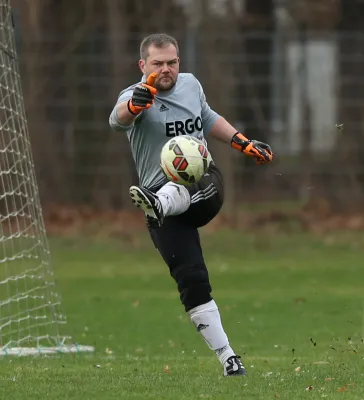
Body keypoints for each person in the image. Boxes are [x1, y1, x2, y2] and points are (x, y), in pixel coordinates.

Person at [109, 33, 273, 377]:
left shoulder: (190, 85)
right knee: (192, 279)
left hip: (204, 186)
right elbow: (118, 119)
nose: (166, 69)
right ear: (143, 66)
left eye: (172, 62)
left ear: (179, 62)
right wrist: (136, 105)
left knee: (193, 178)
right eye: (158, 64)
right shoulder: (135, 95)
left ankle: (161, 203)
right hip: (157, 199)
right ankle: (228, 358)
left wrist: (242, 142)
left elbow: (208, 117)